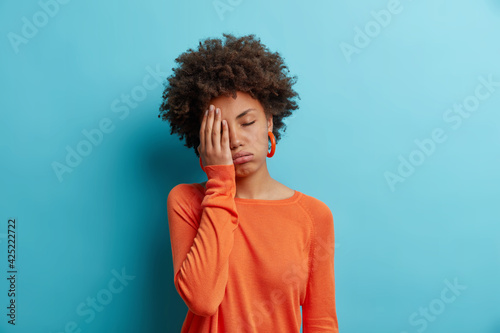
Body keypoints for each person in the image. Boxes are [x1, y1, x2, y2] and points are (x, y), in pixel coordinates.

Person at [158, 33, 339, 332]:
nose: (236, 140)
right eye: (219, 131)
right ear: (201, 139)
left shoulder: (314, 215)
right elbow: (203, 300)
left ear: (269, 120)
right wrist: (220, 183)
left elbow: (321, 322)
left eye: (247, 122)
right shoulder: (186, 201)